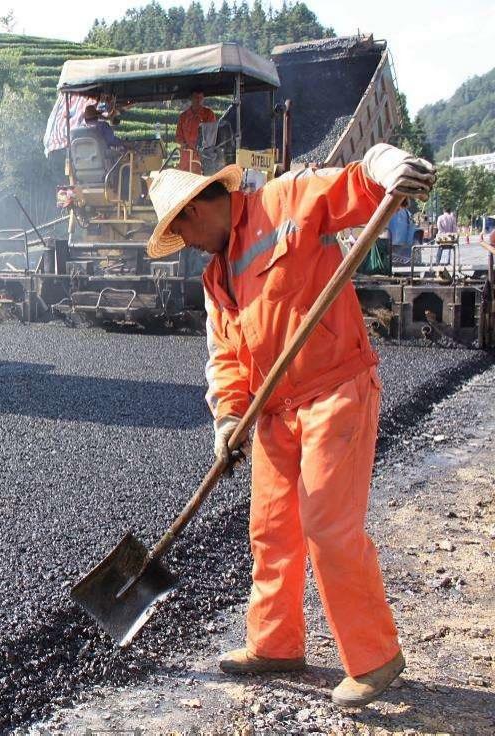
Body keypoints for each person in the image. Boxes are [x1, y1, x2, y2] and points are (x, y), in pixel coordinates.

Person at [144, 142, 436, 708]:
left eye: (184, 234)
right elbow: (225, 357)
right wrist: (228, 418)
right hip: (274, 412)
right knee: (272, 530)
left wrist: (387, 167)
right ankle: (275, 644)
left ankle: (375, 657)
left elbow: (355, 182)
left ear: (196, 211)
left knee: (328, 527)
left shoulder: (285, 200)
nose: (189, 247)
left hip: (335, 391)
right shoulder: (216, 278)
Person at [176, 89, 216, 173]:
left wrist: (201, 149)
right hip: (186, 158)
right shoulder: (183, 117)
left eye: (200, 98)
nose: (198, 100)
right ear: (191, 98)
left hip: (203, 158)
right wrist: (186, 146)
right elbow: (178, 137)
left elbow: (212, 136)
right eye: (196, 97)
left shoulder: (209, 114)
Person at [387, 201, 415, 267]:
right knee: (396, 259)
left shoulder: (388, 209)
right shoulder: (407, 213)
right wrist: (408, 242)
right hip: (400, 241)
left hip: (387, 239)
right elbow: (411, 228)